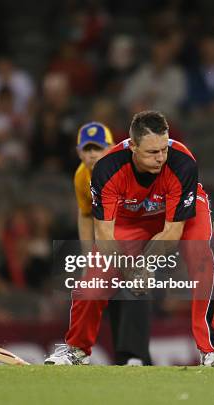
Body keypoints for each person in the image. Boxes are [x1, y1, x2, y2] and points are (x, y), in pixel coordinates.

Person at [56, 111, 214, 367]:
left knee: (201, 258)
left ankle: (209, 349)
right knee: (93, 282)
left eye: (164, 149)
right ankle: (77, 350)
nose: (160, 158)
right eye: (152, 152)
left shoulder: (182, 162)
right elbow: (104, 235)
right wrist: (129, 270)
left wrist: (145, 266)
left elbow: (172, 232)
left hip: (178, 217)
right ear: (132, 146)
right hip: (133, 218)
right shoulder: (107, 168)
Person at [44, 122, 152, 366]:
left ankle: (136, 357)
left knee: (136, 286)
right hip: (111, 236)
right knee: (90, 288)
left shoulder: (130, 168)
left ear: (111, 148)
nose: (92, 154)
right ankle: (79, 352)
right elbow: (85, 215)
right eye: (87, 148)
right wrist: (86, 259)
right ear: (78, 152)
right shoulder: (82, 176)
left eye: (98, 148)